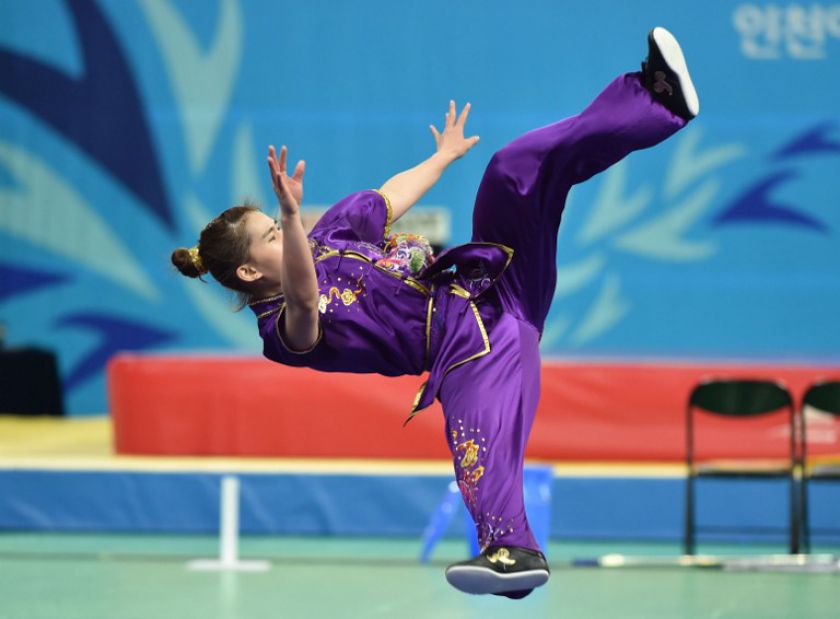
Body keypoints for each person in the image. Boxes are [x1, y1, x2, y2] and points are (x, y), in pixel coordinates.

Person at [173, 27, 699, 598]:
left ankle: (655, 100)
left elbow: (388, 196)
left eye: (279, 227)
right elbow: (303, 296)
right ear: (249, 273)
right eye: (271, 236)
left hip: (493, 282)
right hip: (467, 347)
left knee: (515, 168)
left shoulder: (333, 234)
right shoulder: (281, 331)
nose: (285, 232)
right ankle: (513, 554)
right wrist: (294, 219)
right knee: (476, 440)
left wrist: (442, 157)